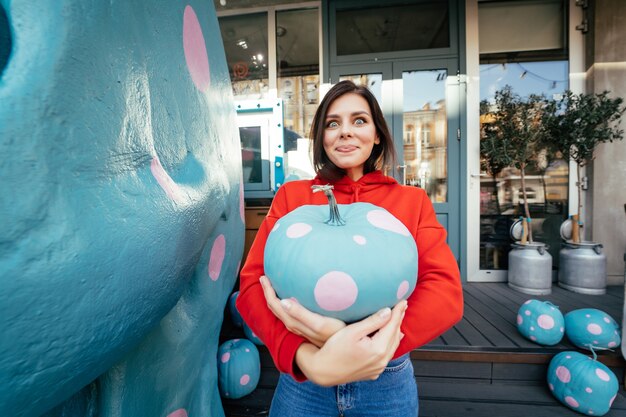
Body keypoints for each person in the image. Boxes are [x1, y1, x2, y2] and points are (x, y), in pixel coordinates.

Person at [237, 80, 463, 417]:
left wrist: (368, 346)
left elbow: (444, 292)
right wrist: (304, 357)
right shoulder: (293, 197)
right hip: (304, 382)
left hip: (386, 378)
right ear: (322, 138)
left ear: (376, 135)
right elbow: (253, 284)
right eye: (332, 123)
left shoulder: (411, 201)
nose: (345, 131)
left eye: (359, 120)